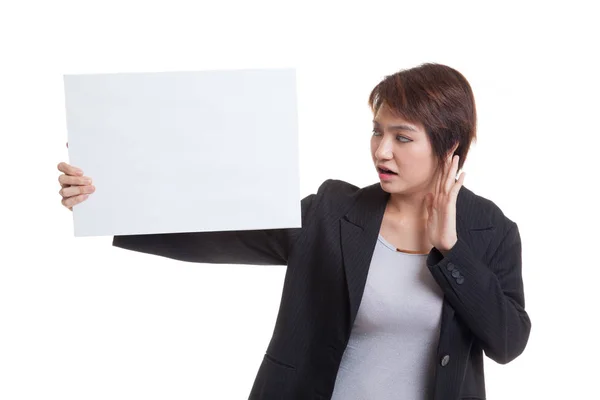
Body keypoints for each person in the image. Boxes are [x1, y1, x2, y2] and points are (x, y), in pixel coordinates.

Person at [57, 63, 531, 400]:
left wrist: (450, 248)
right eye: (376, 131)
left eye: (402, 137)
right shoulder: (334, 212)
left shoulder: (491, 231)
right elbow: (223, 229)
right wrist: (109, 201)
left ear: (451, 149)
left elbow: (508, 343)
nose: (381, 151)